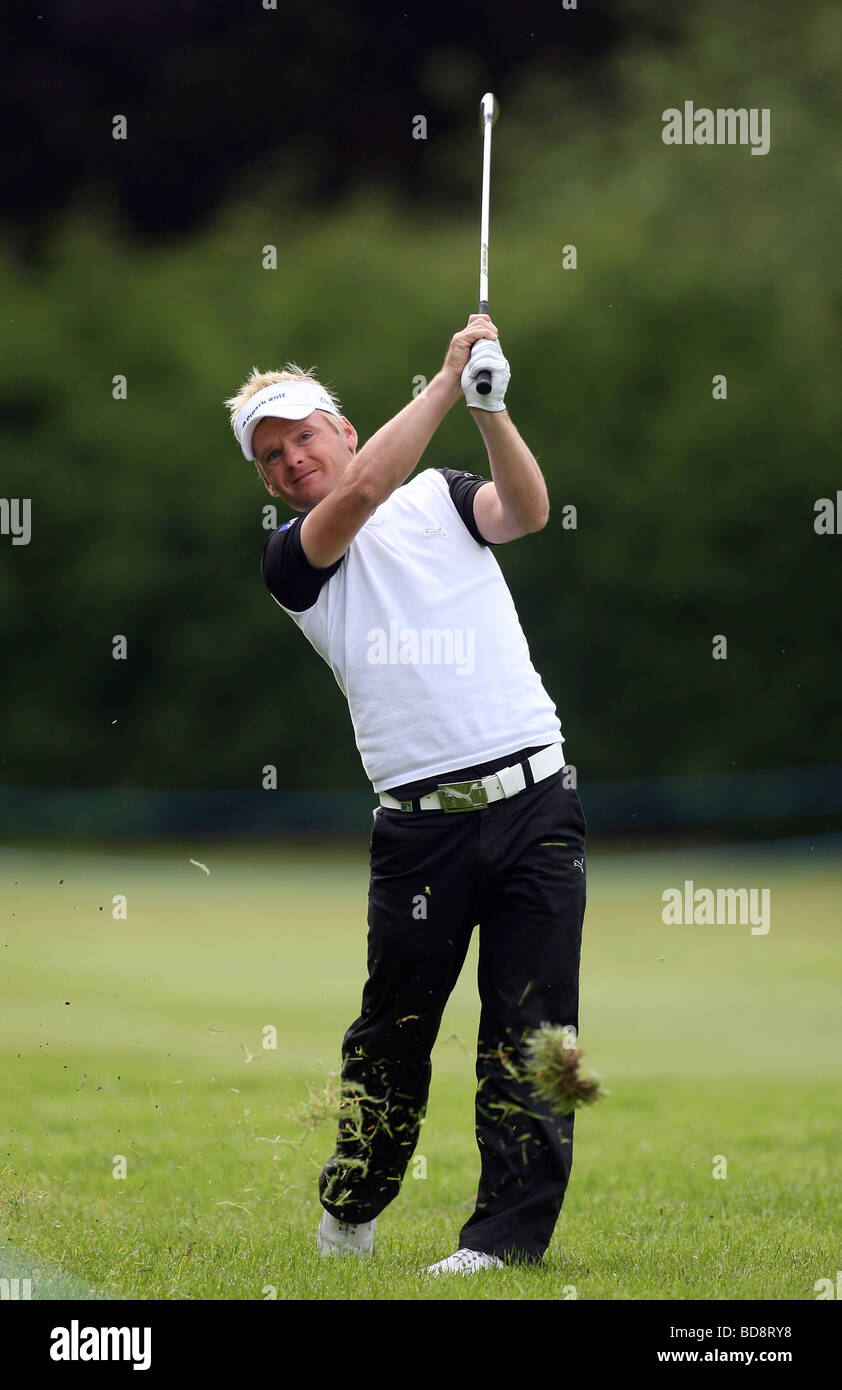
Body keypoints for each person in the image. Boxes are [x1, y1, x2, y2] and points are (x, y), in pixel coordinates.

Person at [225, 316, 587, 1275]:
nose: (293, 458)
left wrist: (491, 409)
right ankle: (353, 1203)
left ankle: (504, 1243)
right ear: (266, 481)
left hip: (536, 800)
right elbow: (368, 488)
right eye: (271, 454)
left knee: (536, 1030)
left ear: (340, 427)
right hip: (421, 833)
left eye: (304, 434)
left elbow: (528, 512)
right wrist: (443, 381)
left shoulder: (442, 494)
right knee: (394, 1032)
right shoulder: (297, 558)